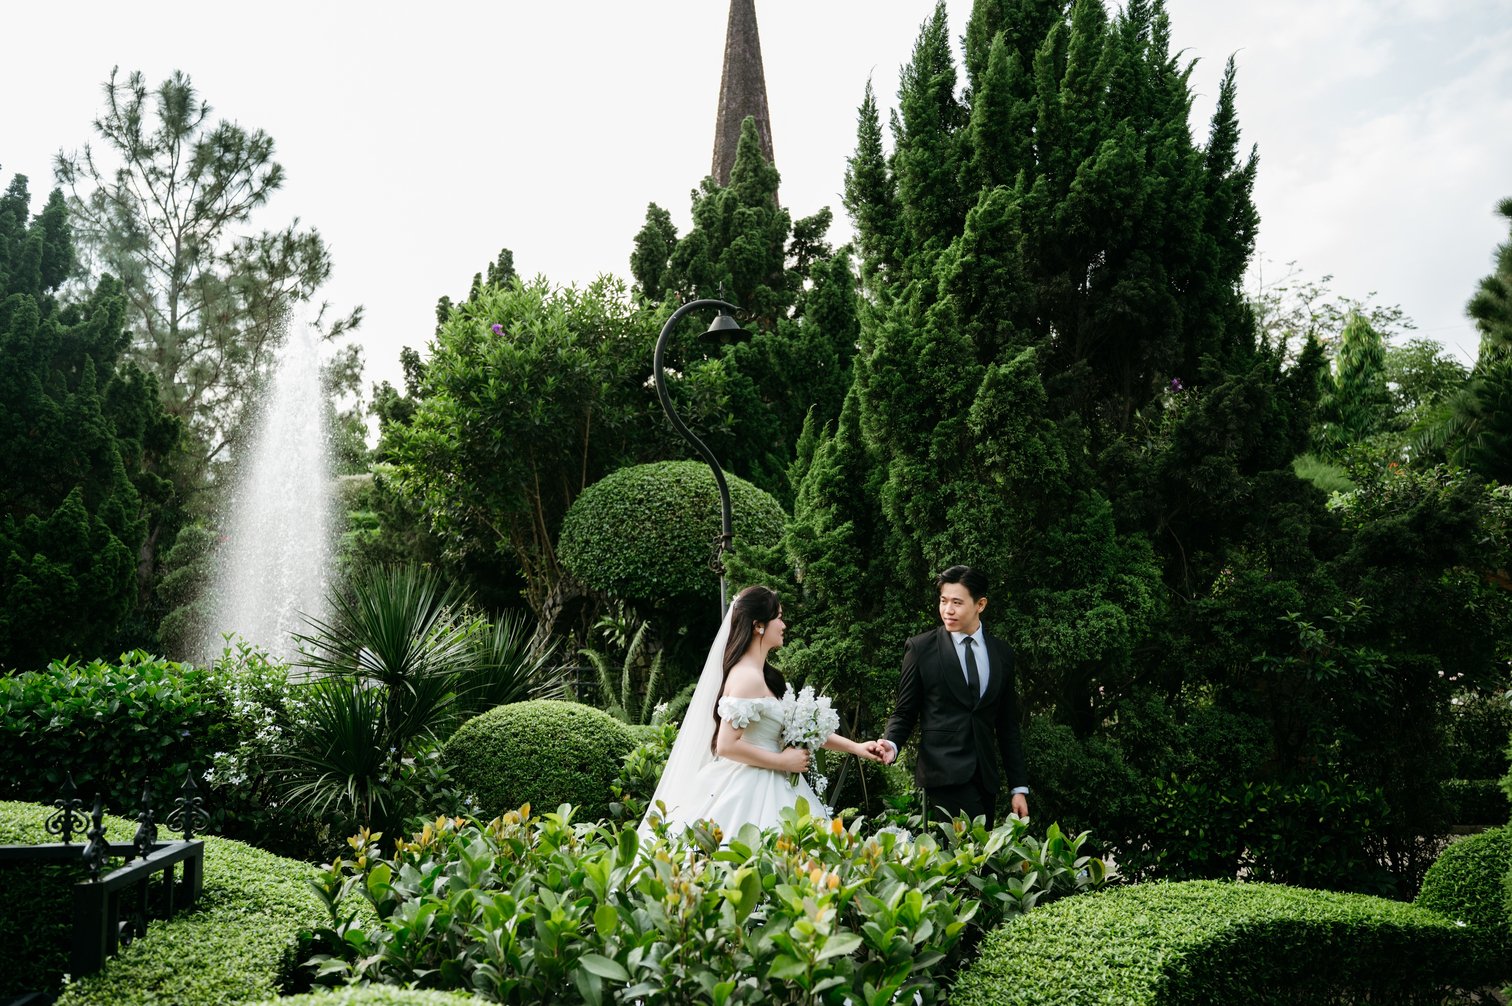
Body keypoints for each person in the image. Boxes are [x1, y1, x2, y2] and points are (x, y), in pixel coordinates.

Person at [641, 585, 882, 838]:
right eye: (778, 617)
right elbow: (726, 745)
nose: (784, 625)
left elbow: (799, 731)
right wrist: (781, 761)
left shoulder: (765, 676)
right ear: (758, 626)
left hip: (778, 782)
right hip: (750, 786)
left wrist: (856, 748)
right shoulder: (746, 678)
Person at [875, 565, 1029, 824]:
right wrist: (891, 743)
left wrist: (1018, 788)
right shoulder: (921, 648)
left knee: (979, 857)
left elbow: (1007, 725)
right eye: (943, 601)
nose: (948, 610)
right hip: (943, 772)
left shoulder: (1002, 654)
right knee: (971, 853)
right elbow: (905, 711)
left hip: (985, 778)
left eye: (957, 602)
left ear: (980, 604)